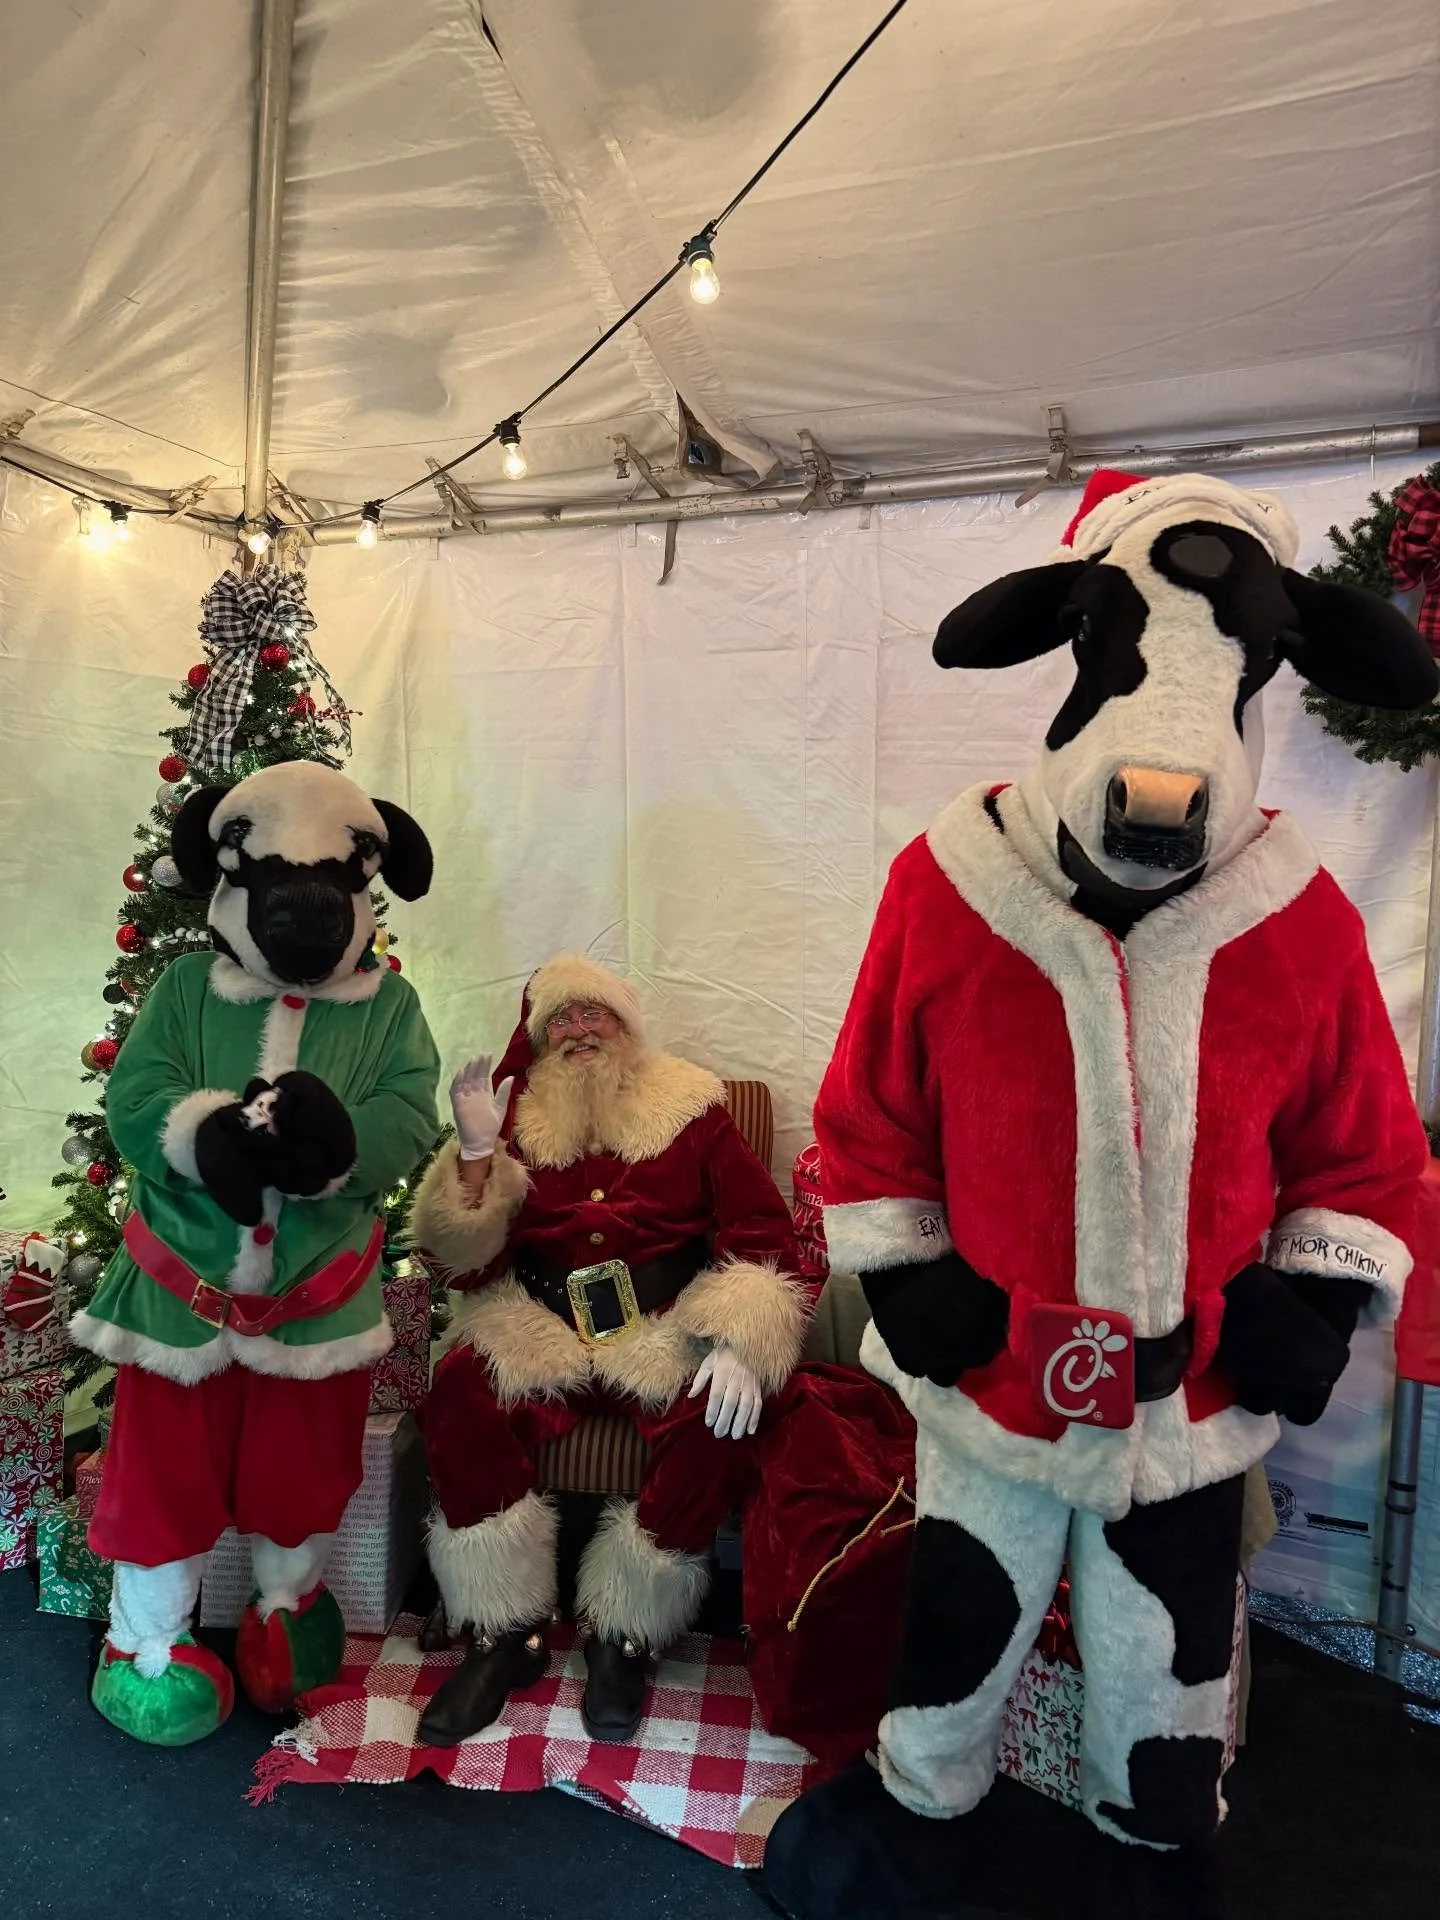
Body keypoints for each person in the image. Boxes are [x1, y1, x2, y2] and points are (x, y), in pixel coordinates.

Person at [410, 953, 804, 1745]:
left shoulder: (694, 1108)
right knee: (459, 1390)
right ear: (540, 1035)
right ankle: (502, 1633)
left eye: (597, 1015)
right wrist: (478, 1158)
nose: (580, 1030)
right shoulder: (511, 1117)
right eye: (563, 1017)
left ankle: (624, 1633)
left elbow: (760, 1231)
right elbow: (467, 1264)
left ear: (628, 1028)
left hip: (660, 1317)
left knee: (719, 1418)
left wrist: (738, 1335)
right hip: (538, 1315)